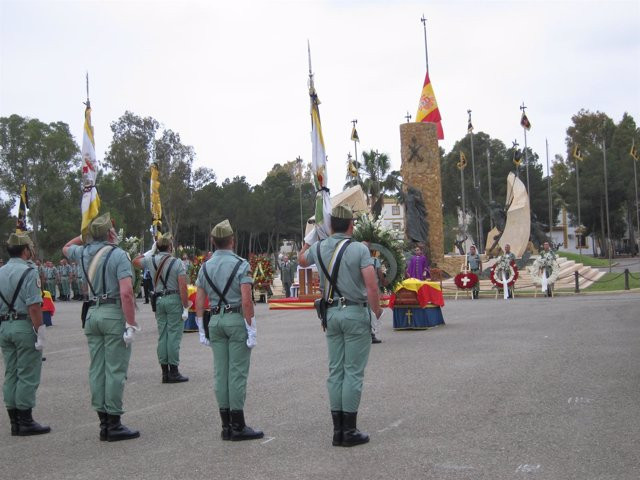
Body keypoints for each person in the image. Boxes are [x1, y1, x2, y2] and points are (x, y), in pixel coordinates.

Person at [298, 205, 383, 448]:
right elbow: (372, 286)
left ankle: (338, 431)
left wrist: (309, 238)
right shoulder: (359, 249)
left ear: (331, 226)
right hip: (355, 312)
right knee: (353, 371)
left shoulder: (319, 247)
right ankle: (350, 429)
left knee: (336, 370)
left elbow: (301, 260)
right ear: (350, 225)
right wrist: (376, 313)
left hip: (331, 314)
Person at [63, 212, 140, 442]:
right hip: (112, 313)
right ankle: (114, 423)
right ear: (110, 233)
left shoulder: (83, 251)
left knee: (97, 369)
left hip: (92, 312)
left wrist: (85, 235)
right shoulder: (118, 255)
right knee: (115, 369)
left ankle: (103, 422)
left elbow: (66, 247)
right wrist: (131, 323)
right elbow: (126, 292)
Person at [195, 219, 263, 441]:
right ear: (232, 240)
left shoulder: (205, 266)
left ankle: (226, 426)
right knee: (237, 374)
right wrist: (251, 327)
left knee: (220, 373)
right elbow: (246, 300)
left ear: (213, 242)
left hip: (214, 321)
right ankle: (238, 425)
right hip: (235, 319)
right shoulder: (241, 264)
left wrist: (200, 327)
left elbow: (200, 299)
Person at [0, 233, 50, 436]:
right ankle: (25, 420)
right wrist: (40, 331)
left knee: (11, 372)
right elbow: (34, 307)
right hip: (23, 325)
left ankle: (14, 421)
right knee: (28, 373)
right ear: (25, 251)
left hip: (4, 326)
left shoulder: (1, 271)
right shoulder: (29, 271)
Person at [133, 233, 190, 384]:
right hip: (173, 299)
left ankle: (164, 372)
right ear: (170, 247)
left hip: (159, 299)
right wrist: (185, 305)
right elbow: (183, 286)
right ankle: (174, 371)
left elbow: (135, 261)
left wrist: (150, 252)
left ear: (157, 247)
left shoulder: (151, 260)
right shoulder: (177, 263)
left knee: (163, 335)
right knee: (173, 336)